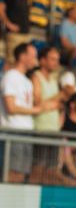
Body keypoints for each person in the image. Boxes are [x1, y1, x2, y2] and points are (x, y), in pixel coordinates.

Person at [2, 42, 39, 180]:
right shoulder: (11, 76)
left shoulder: (27, 81)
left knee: (21, 174)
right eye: (33, 56)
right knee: (12, 173)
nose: (35, 60)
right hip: (13, 131)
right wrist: (35, 110)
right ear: (22, 56)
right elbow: (11, 107)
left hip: (26, 131)